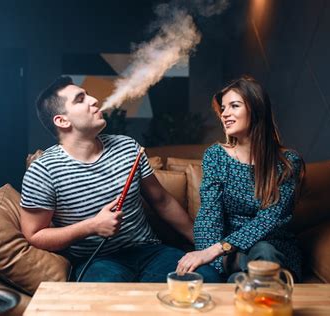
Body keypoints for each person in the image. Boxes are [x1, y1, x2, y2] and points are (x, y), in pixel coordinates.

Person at [20, 76, 221, 282]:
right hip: (97, 261)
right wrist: (91, 226)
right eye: (80, 99)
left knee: (208, 279)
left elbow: (162, 201)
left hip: (150, 252)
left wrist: (204, 244)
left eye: (88, 95)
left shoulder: (127, 147)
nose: (94, 100)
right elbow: (35, 235)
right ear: (62, 120)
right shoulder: (43, 170)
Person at [176, 76, 304, 282]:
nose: (225, 114)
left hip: (273, 249)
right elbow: (209, 216)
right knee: (237, 273)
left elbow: (269, 219)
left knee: (263, 253)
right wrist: (211, 259)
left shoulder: (288, 162)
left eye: (234, 106)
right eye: (223, 109)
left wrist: (218, 250)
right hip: (230, 253)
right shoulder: (216, 155)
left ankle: (244, 282)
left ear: (256, 109)